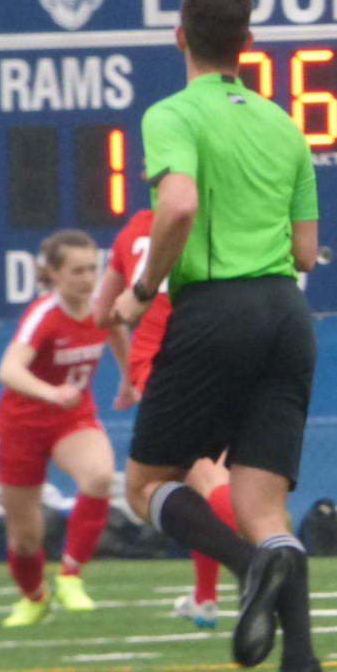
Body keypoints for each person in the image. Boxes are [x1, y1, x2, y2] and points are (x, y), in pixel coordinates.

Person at [111, 0, 325, 672]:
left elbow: (177, 203)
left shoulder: (172, 114)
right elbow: (304, 254)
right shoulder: (285, 124)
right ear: (248, 44)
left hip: (215, 310)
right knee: (267, 509)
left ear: (179, 37)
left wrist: (140, 293)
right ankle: (300, 669)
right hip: (288, 316)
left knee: (144, 484)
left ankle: (242, 570)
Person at [92, 206, 237, 628]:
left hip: (162, 368)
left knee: (181, 484)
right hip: (219, 358)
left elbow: (104, 314)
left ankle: (262, 563)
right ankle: (208, 597)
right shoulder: (215, 220)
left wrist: (126, 371)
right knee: (199, 480)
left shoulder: (136, 228)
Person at [0, 229, 125, 626]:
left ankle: (70, 575)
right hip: (21, 425)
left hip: (72, 419)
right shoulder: (43, 316)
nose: (87, 279)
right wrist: (50, 393)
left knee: (100, 476)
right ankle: (34, 598)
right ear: (52, 273)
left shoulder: (101, 305)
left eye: (93, 269)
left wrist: (129, 377)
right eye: (76, 271)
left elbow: (116, 328)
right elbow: (8, 370)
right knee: (24, 538)